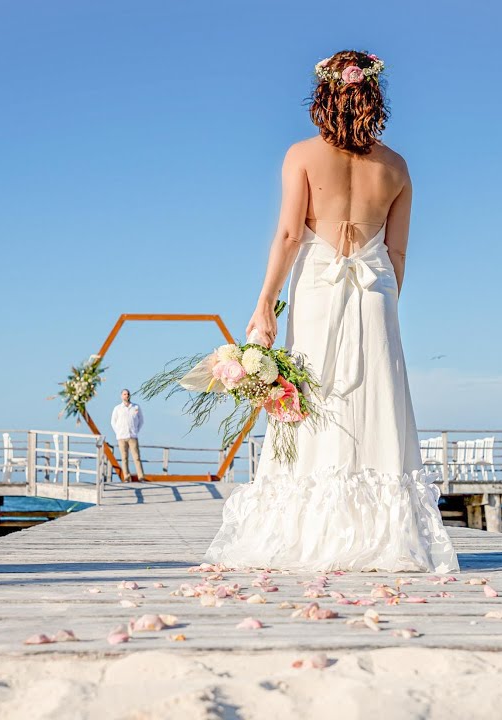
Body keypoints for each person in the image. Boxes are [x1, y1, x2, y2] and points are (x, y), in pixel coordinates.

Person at [204, 50, 459, 572]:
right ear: (374, 98)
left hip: (319, 286)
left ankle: (307, 531)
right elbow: (398, 252)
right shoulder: (398, 167)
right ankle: (383, 535)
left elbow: (290, 235)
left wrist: (264, 306)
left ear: (323, 96)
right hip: (375, 288)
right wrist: (385, 306)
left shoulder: (300, 154)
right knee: (375, 395)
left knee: (312, 392)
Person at [110, 389, 146, 481]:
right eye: (124, 394)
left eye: (128, 394)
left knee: (136, 457)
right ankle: (126, 476)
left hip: (132, 436)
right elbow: (113, 422)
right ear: (121, 396)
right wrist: (118, 432)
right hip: (122, 436)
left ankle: (141, 476)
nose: (126, 395)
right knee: (124, 457)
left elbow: (141, 420)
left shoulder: (135, 407)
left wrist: (136, 430)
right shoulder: (117, 408)